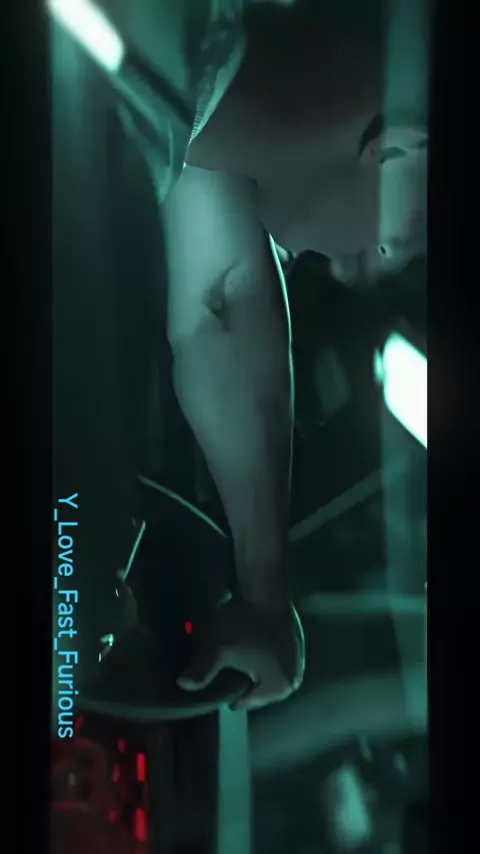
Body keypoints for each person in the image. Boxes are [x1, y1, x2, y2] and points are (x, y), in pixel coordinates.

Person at [72, 0, 429, 712]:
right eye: (408, 239)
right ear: (396, 153)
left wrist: (264, 592)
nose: (358, 270)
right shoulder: (113, 54)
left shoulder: (195, 90)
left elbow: (228, 304)